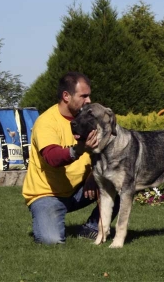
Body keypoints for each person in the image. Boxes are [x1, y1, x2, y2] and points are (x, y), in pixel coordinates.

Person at [22, 72, 118, 244]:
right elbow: (52, 158)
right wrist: (78, 150)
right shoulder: (47, 122)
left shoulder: (87, 120)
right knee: (51, 241)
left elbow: (102, 152)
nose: (88, 100)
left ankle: (91, 228)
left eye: (89, 95)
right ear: (66, 96)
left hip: (78, 191)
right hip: (47, 194)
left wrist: (93, 176)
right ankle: (49, 218)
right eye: (83, 96)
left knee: (117, 184)